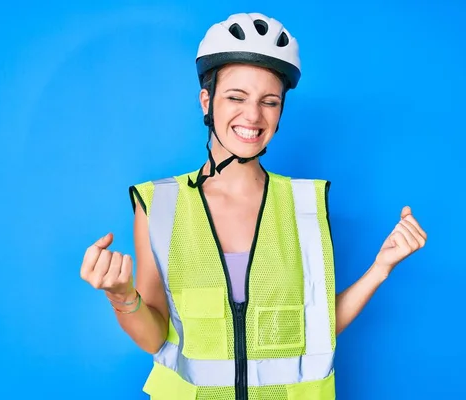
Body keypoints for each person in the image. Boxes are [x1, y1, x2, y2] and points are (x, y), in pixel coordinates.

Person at [80, 12, 427, 400]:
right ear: (206, 101)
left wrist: (380, 269)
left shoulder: (304, 205)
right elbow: (156, 336)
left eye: (269, 101)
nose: (253, 115)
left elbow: (317, 330)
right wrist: (121, 295)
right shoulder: (160, 204)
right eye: (236, 97)